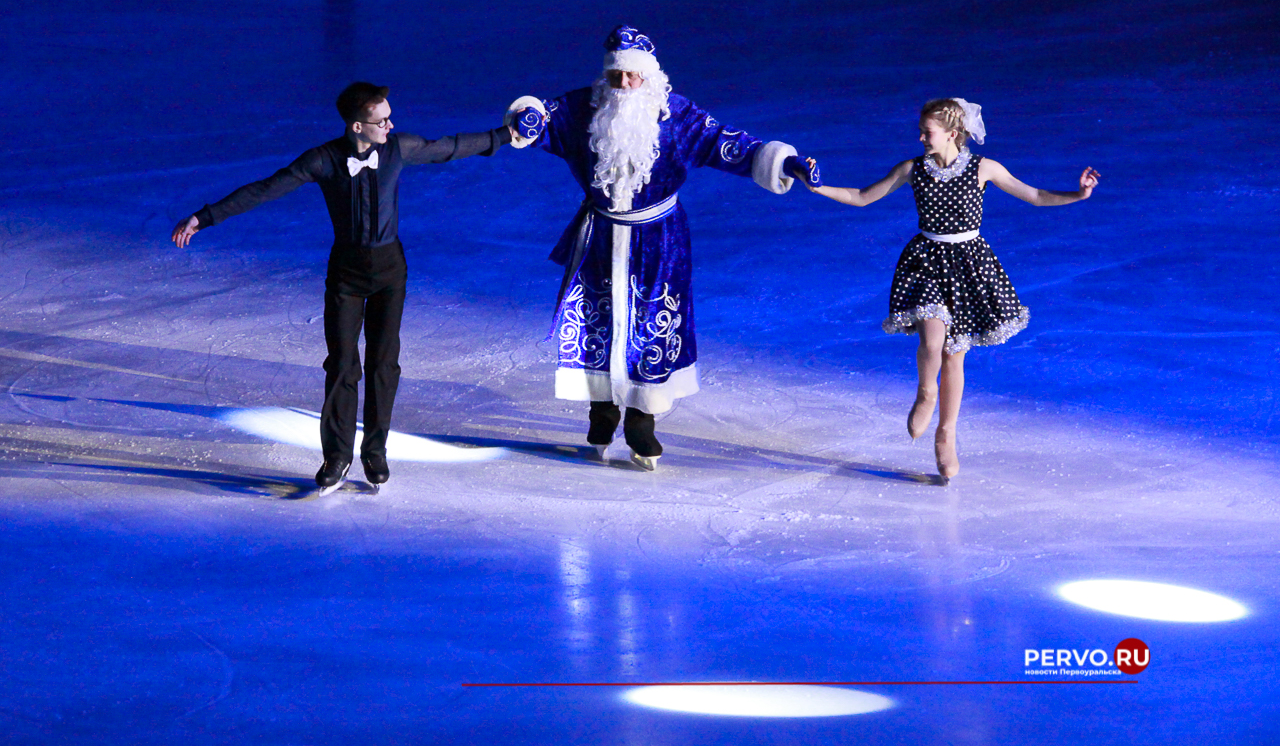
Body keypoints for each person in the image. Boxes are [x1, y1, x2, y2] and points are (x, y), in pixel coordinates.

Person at [503, 25, 821, 471]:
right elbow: (543, 117)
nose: (624, 84)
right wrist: (528, 117)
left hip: (660, 244)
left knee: (652, 326)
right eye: (616, 76)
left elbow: (728, 144)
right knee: (597, 321)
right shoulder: (585, 108)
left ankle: (641, 421)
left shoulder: (678, 116)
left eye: (633, 75)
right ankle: (601, 415)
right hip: (600, 237)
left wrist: (784, 162)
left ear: (650, 76)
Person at [172, 82, 515, 494]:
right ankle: (337, 456)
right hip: (346, 274)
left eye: (389, 118)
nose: (390, 125)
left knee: (383, 364)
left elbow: (450, 147)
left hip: (390, 271)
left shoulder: (398, 148)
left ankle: (375, 451)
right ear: (357, 126)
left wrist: (506, 134)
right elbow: (267, 188)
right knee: (341, 365)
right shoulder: (323, 159)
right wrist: (205, 217)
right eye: (381, 121)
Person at [806, 98, 1099, 482]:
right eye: (921, 131)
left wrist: (1079, 195)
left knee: (953, 356)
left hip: (969, 267)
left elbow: (1035, 196)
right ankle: (926, 393)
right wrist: (818, 188)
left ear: (952, 133)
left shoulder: (984, 168)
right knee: (932, 340)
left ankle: (946, 434)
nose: (920, 137)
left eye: (927, 131)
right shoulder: (912, 169)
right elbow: (862, 196)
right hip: (926, 262)